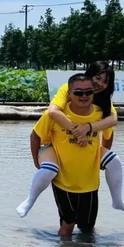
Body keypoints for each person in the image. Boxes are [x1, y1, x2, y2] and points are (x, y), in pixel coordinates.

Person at [16, 62, 124, 217]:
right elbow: (52, 112)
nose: (100, 84)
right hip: (51, 146)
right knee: (49, 170)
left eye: (105, 81)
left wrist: (89, 130)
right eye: (97, 78)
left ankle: (118, 201)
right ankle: (30, 200)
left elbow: (112, 122)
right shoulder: (67, 92)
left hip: (86, 171)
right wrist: (77, 132)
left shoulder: (102, 104)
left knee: (114, 160)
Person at [18, 74, 117, 236]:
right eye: (78, 93)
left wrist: (101, 159)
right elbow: (35, 135)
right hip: (63, 183)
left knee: (88, 228)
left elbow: (108, 135)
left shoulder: (101, 114)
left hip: (90, 184)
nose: (84, 96)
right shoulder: (55, 115)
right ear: (69, 94)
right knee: (67, 226)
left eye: (88, 92)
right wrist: (37, 162)